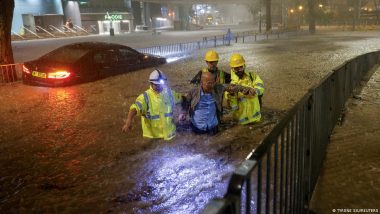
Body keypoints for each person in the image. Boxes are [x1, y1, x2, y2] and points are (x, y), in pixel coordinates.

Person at [180, 72, 256, 134]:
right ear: (201, 82)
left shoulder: (218, 88)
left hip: (214, 128)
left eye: (213, 83)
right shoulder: (193, 92)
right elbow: (185, 102)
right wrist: (183, 113)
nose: (212, 86)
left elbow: (232, 87)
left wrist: (246, 89)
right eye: (209, 83)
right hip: (197, 128)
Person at [122, 69, 183, 140]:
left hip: (170, 135)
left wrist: (182, 112)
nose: (160, 86)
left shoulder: (169, 93)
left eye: (161, 84)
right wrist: (129, 121)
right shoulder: (145, 97)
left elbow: (181, 99)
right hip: (153, 137)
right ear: (151, 83)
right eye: (157, 85)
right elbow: (135, 108)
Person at [228, 53, 265, 125]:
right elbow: (233, 107)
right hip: (241, 122)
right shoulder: (231, 84)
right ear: (232, 69)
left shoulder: (253, 76)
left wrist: (254, 91)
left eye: (240, 67)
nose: (239, 70)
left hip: (256, 119)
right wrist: (232, 95)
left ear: (244, 65)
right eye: (236, 68)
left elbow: (261, 87)